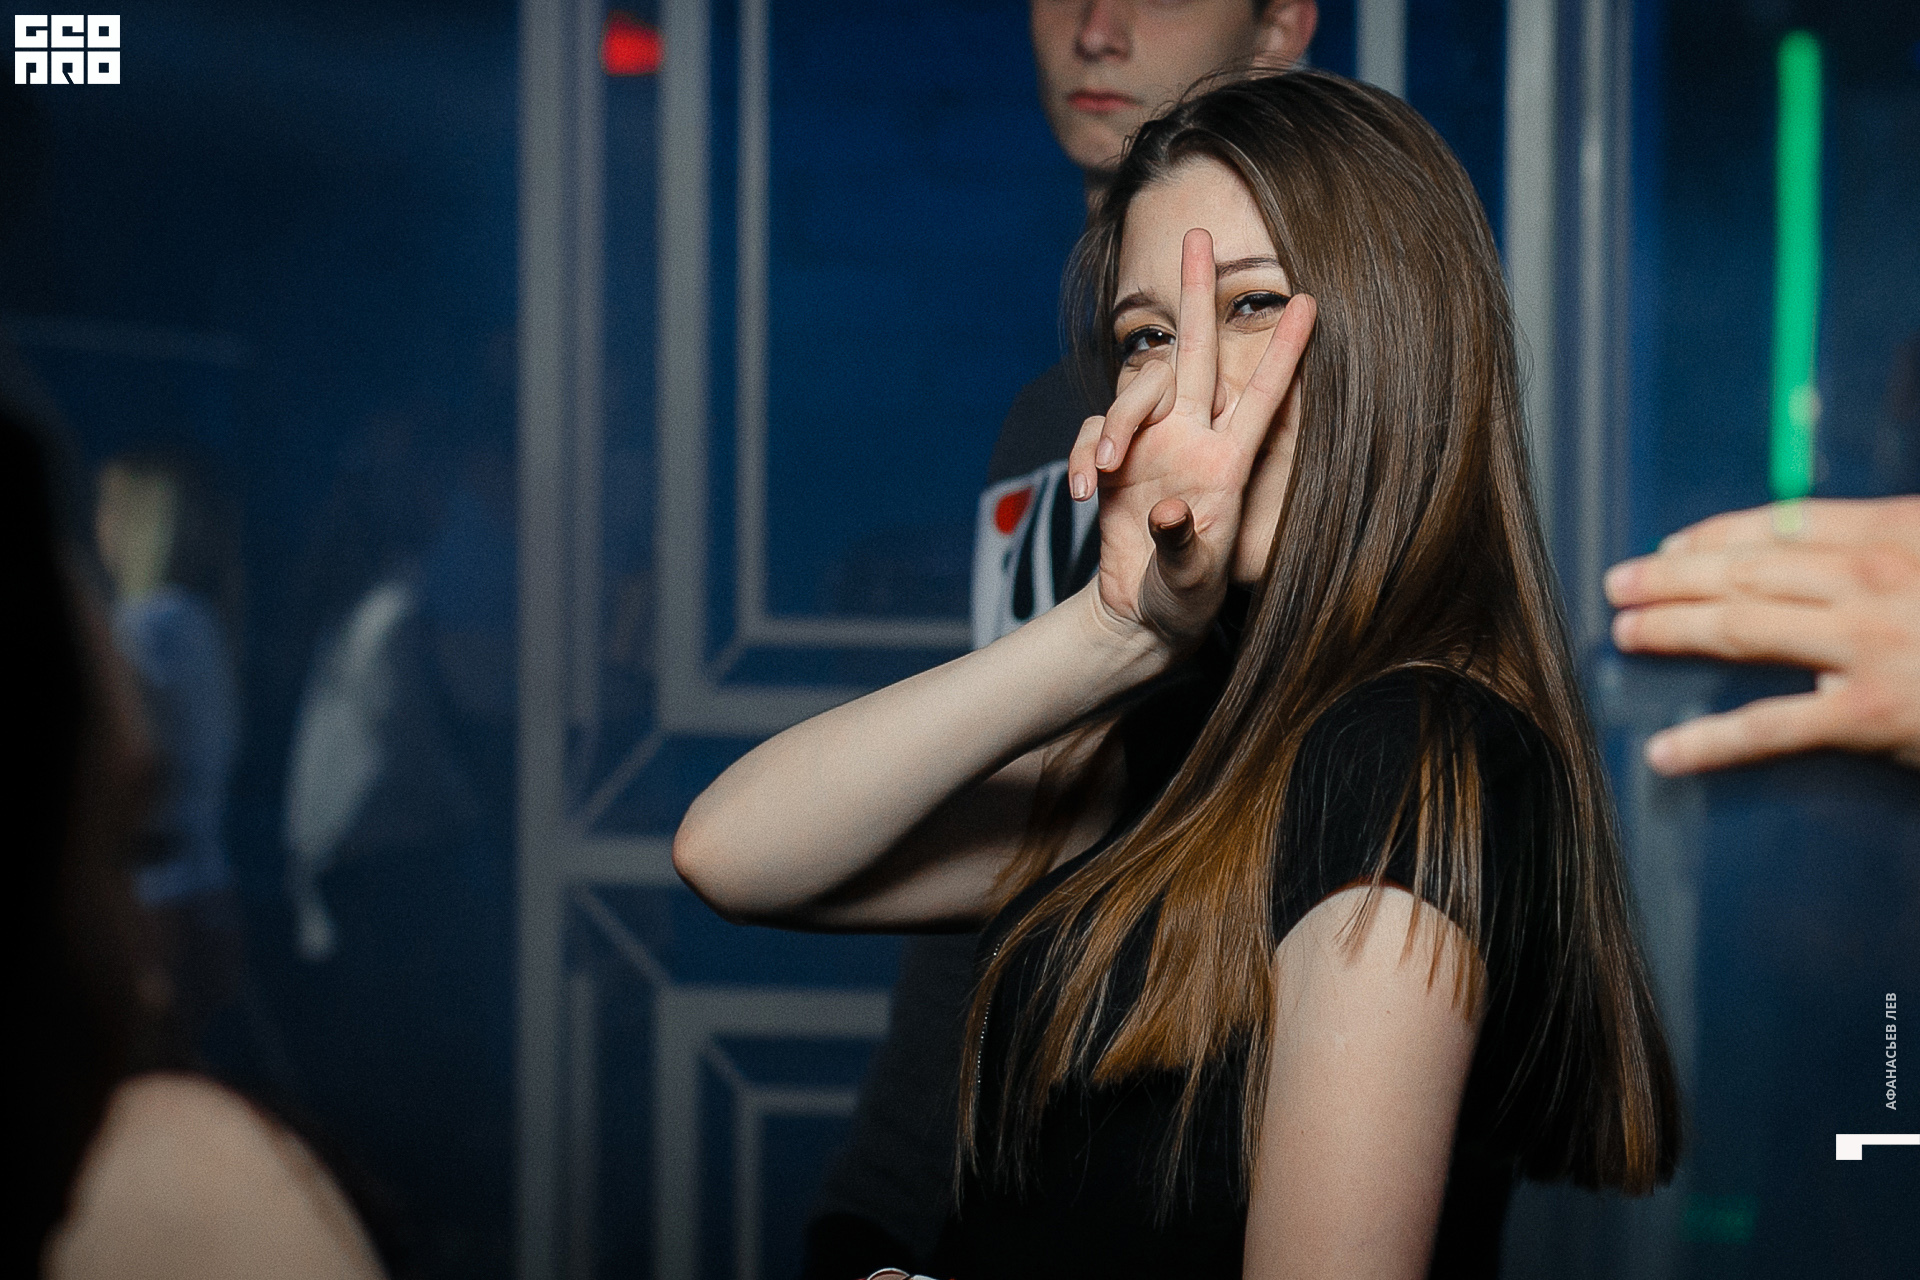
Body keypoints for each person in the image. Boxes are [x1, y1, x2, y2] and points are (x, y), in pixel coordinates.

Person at [679, 72, 1679, 1279]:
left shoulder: (1406, 750)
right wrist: (1111, 632)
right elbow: (735, 850)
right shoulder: (1197, 733)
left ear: (1401, 340)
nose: (1180, 384)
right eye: (1147, 336)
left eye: (1250, 305)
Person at [814, 5, 1320, 1273]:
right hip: (976, 1181)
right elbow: (1009, 837)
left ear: (1281, 24)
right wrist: (887, 1195)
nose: (1096, 28)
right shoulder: (1046, 420)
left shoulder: (1312, 438)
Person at [4, 410, 392, 1280]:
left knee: (139, 1113)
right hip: (202, 888)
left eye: (111, 509)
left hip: (177, 893)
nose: (99, 528)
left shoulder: (153, 628)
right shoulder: (199, 625)